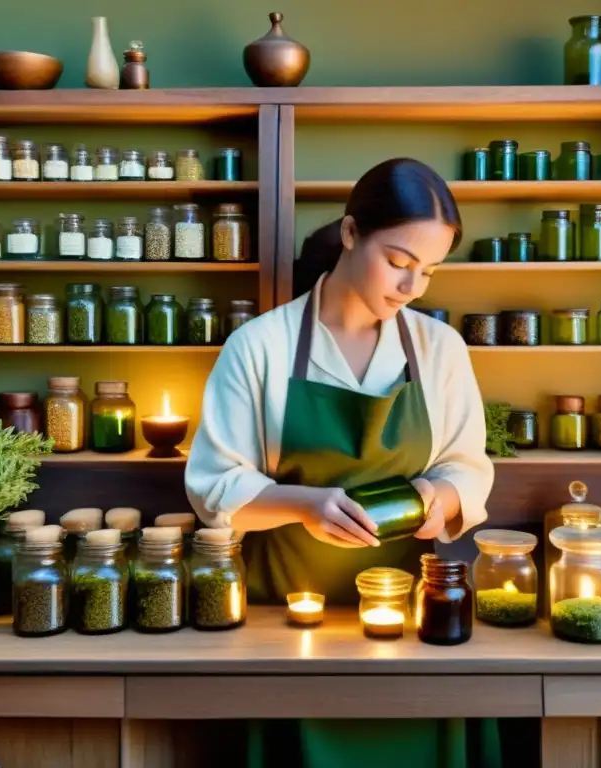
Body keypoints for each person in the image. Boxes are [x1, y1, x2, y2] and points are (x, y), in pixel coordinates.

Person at [185, 158, 498, 768]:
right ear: (351, 234)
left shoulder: (440, 350)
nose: (411, 289)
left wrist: (441, 498)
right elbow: (213, 485)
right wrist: (305, 506)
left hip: (411, 623)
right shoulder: (261, 347)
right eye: (399, 263)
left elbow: (470, 467)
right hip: (283, 624)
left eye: (429, 272)